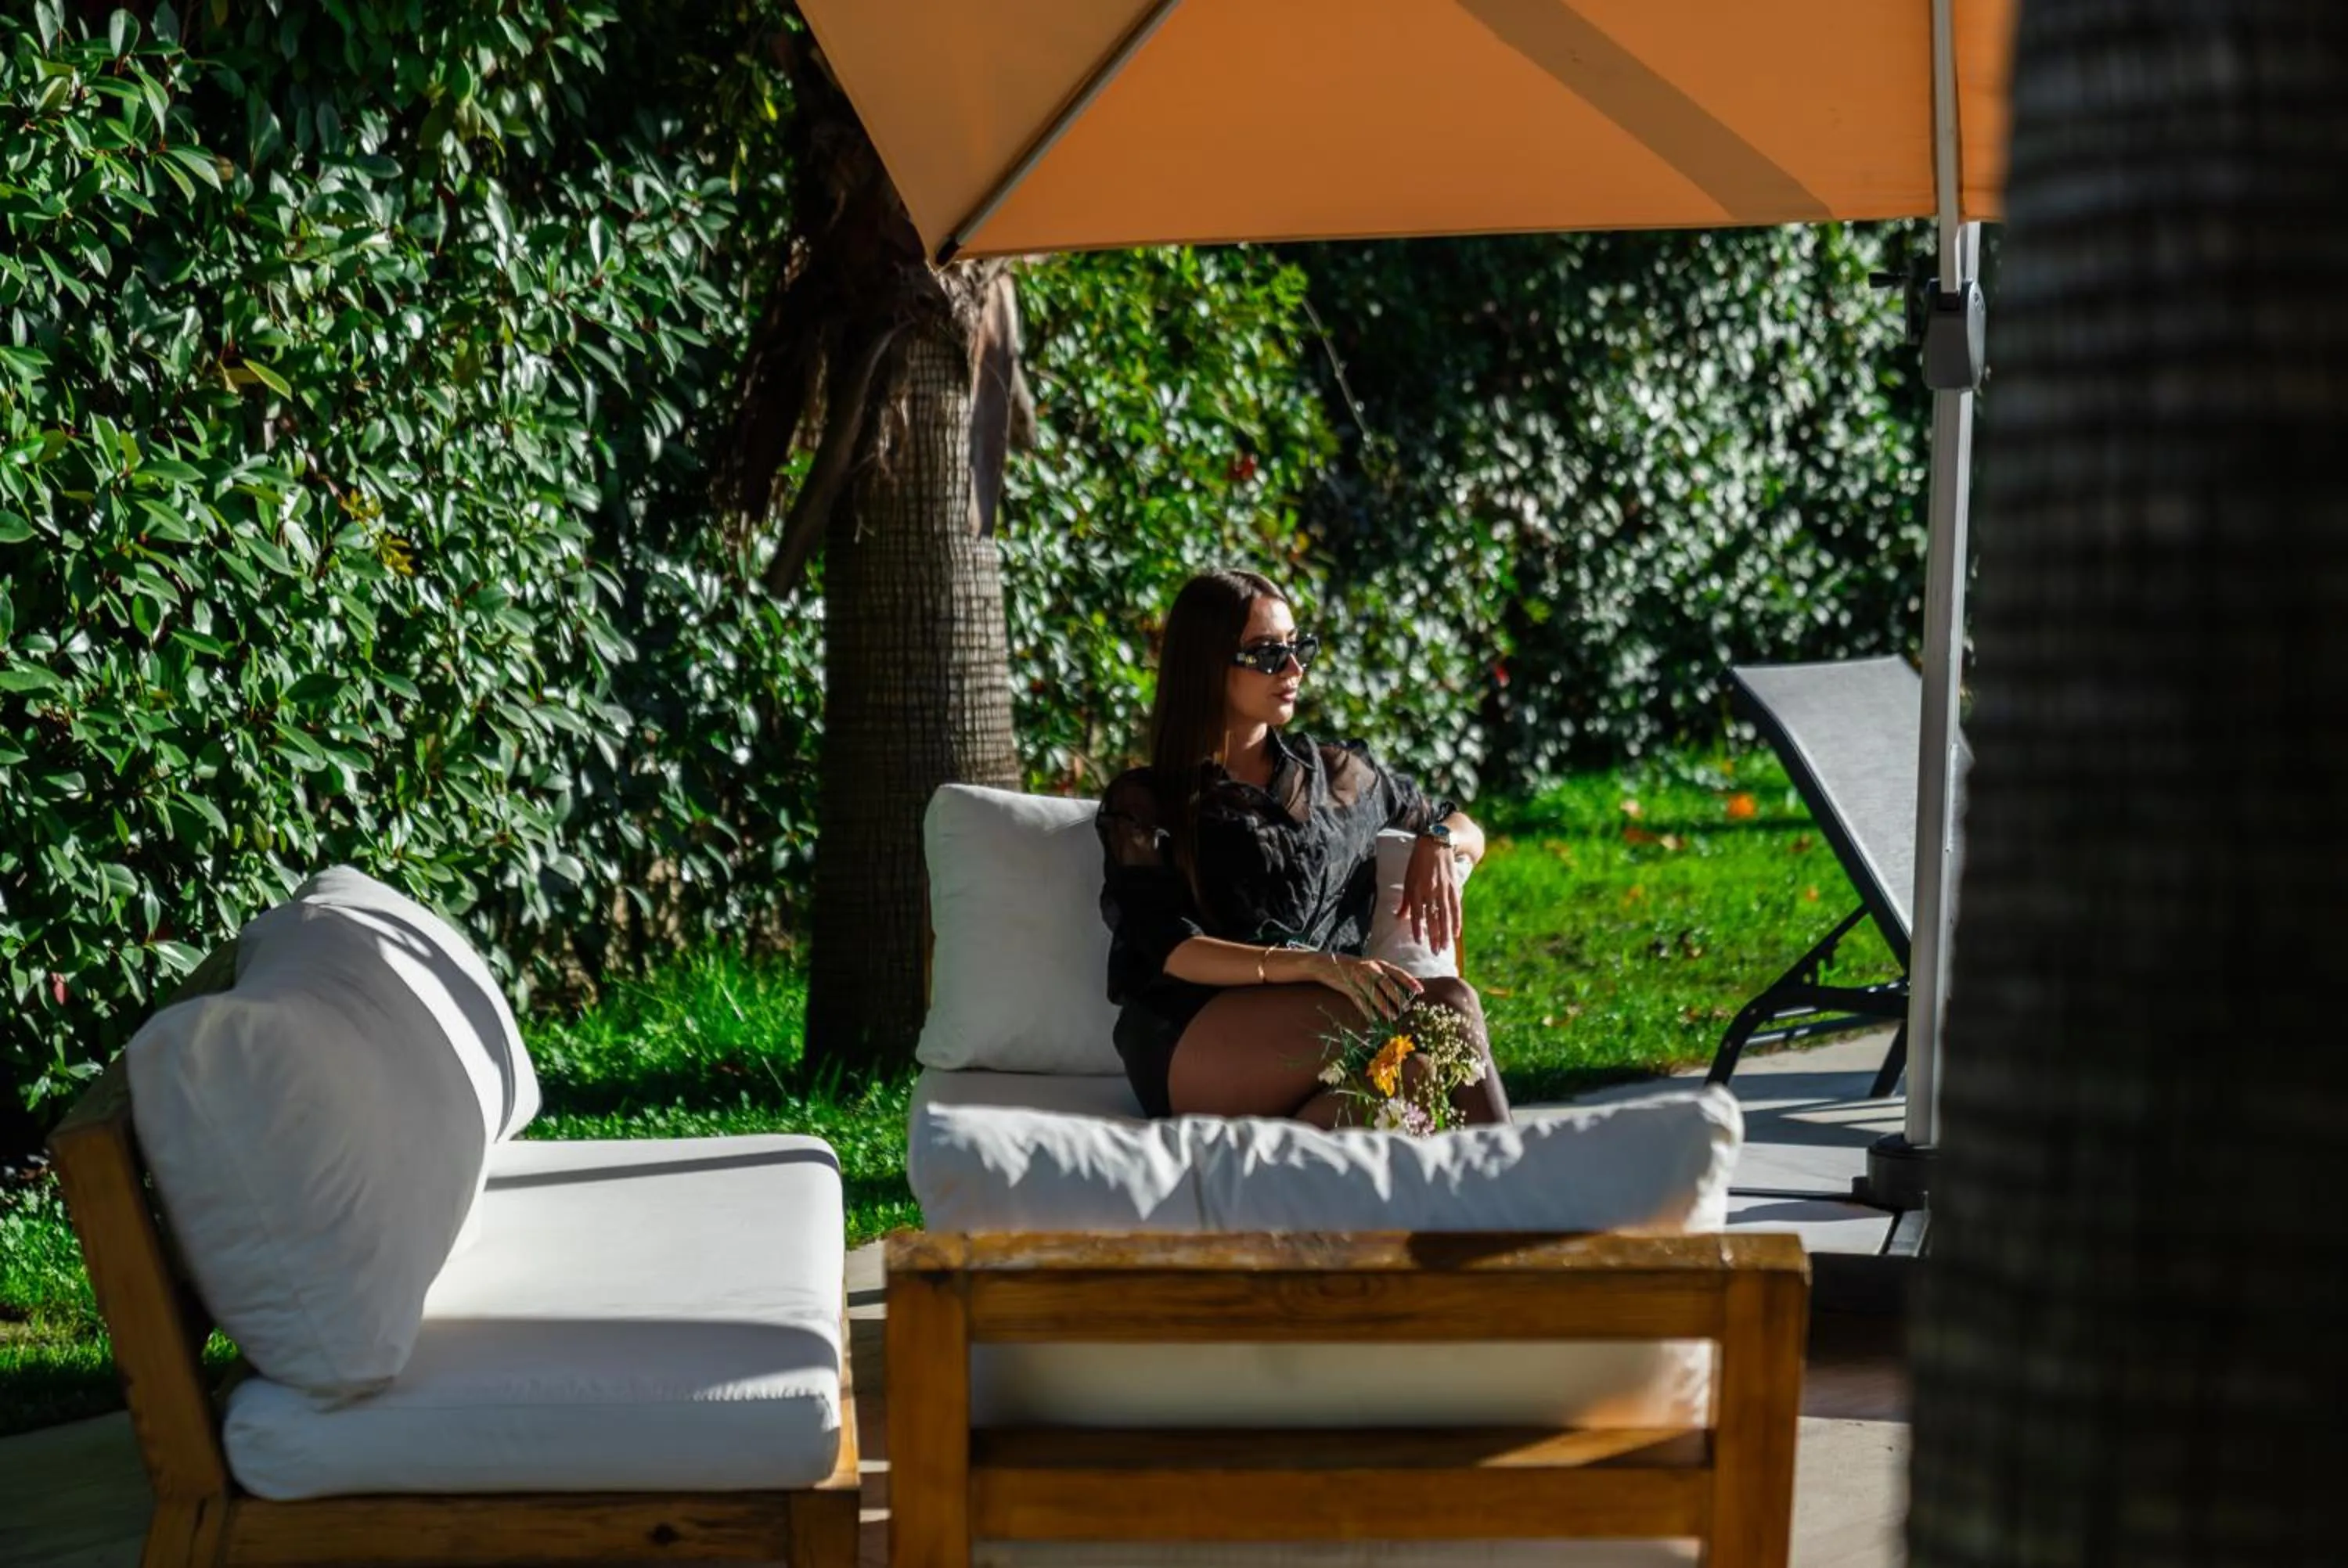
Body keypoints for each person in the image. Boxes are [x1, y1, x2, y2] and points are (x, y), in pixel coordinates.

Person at [1094, 567, 1511, 1127]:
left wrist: (1437, 840)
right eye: (1268, 654)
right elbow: (1172, 947)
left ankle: (1286, 1174)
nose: (1294, 669)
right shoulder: (1149, 801)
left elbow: (1465, 829)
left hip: (1320, 1040)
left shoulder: (1339, 777)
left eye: (1298, 648)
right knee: (1448, 1004)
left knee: (1415, 1081)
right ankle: (1525, 1174)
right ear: (1208, 664)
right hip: (1197, 1039)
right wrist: (1316, 967)